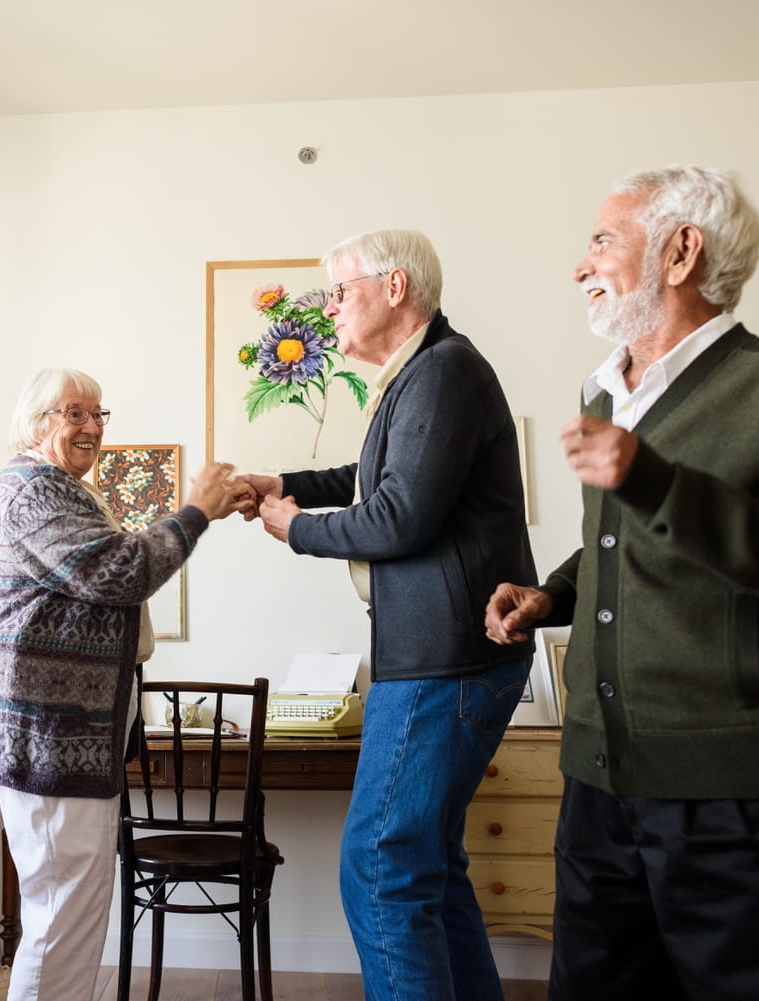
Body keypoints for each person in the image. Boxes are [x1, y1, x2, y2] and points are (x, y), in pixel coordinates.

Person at [484, 166, 759, 1001]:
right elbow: (622, 538)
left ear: (680, 251)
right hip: (598, 786)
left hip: (737, 794)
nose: (579, 264)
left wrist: (661, 483)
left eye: (601, 239)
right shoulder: (604, 390)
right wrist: (551, 595)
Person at [238, 230, 536, 1001]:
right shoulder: (424, 373)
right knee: (426, 866)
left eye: (341, 291)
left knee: (378, 866)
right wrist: (284, 479)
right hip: (448, 657)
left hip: (447, 661)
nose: (329, 307)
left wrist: (293, 527)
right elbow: (371, 475)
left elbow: (398, 515)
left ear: (395, 287)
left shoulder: (443, 373)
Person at [0, 367, 254, 1001]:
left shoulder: (56, 487)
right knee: (64, 914)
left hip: (57, 731)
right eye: (74, 414)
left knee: (65, 909)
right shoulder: (35, 490)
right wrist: (196, 511)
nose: (92, 426)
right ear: (39, 424)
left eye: (99, 415)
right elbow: (115, 573)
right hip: (49, 732)